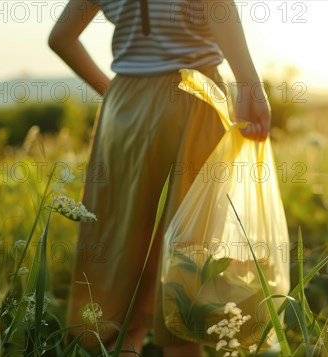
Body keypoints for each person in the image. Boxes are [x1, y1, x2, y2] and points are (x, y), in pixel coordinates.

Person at [48, 0, 271, 355]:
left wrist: (113, 92)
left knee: (123, 240)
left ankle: (119, 341)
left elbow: (61, 38)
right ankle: (180, 343)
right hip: (194, 98)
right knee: (189, 250)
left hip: (123, 109)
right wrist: (250, 87)